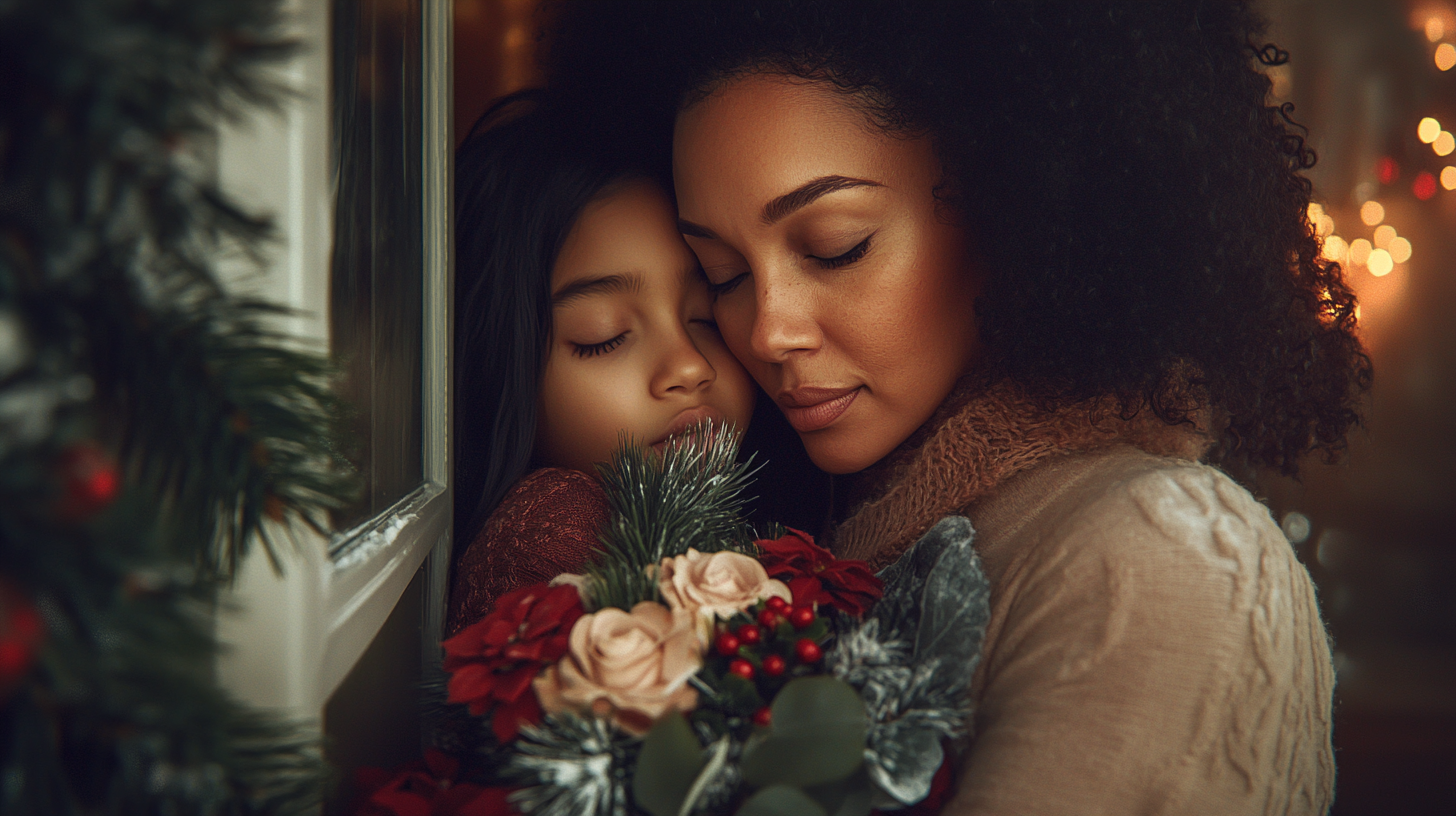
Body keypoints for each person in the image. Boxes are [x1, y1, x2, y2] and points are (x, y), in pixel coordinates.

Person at [542, 1, 1370, 813]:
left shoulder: (1167, 566)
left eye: (835, 246)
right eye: (722, 275)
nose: (766, 330)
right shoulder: (817, 530)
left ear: (1011, 203)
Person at [447, 94, 756, 636]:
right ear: (497, 369)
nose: (688, 366)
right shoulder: (556, 537)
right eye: (605, 337)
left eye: (706, 314)